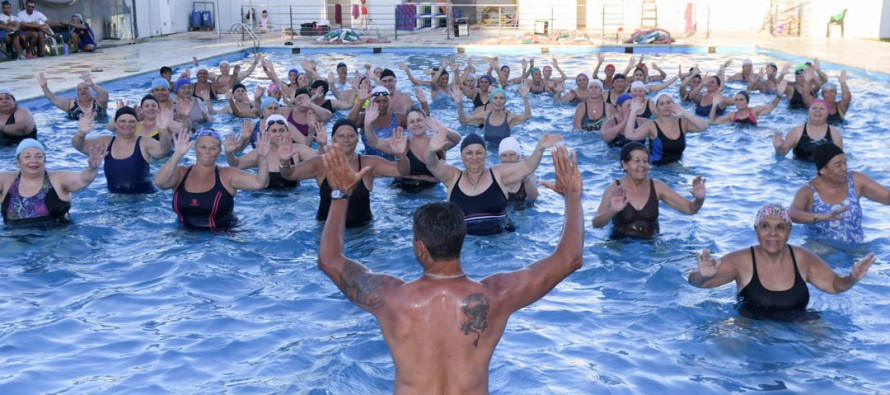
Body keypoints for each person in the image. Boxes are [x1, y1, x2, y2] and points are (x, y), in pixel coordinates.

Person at [316, 142, 582, 393]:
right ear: (461, 238)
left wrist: (340, 195)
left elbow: (330, 259)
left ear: (419, 246)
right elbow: (569, 258)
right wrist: (572, 196)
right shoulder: (497, 295)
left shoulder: (389, 297)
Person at [687, 203, 875, 319]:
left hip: (798, 322)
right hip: (752, 326)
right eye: (765, 226)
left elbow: (834, 285)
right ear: (756, 230)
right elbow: (699, 284)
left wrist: (851, 278)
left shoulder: (803, 258)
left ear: (789, 231)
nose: (773, 234)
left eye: (780, 227)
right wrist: (701, 276)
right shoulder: (741, 260)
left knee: (829, 348)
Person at [424, 131, 563, 235]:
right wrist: (431, 151)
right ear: (461, 156)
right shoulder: (453, 177)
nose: (474, 157)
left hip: (502, 243)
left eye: (479, 153)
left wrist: (539, 149)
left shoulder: (498, 174)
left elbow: (527, 167)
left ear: (486, 155)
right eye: (469, 153)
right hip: (466, 245)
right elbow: (433, 166)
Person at [278, 119, 410, 228]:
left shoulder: (369, 163)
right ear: (333, 140)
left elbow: (401, 171)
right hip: (326, 230)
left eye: (351, 136)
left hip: (362, 233)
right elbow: (289, 174)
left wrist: (400, 155)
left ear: (357, 140)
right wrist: (284, 162)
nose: (346, 139)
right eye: (341, 136)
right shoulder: (320, 164)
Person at [154, 129, 270, 230]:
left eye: (213, 148)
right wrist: (177, 155)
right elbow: (159, 182)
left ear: (219, 152)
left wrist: (263, 157)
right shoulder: (181, 173)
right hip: (185, 236)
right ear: (195, 148)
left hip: (224, 236)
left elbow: (259, 183)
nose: (207, 151)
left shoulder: (227, 175)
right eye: (203, 147)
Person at [592, 142, 705, 239]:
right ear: (624, 164)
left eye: (645, 161)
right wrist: (612, 211)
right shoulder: (613, 189)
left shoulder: (657, 187)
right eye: (637, 161)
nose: (642, 165)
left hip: (651, 245)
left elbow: (690, 209)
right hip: (620, 245)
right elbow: (596, 224)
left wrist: (699, 199)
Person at [788, 144, 890, 245]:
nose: (844, 168)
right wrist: (820, 216)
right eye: (838, 165)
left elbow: (887, 198)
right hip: (822, 253)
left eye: (845, 163)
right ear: (823, 170)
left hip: (855, 251)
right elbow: (792, 213)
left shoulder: (855, 181)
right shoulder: (808, 191)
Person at [1, 138, 104, 225]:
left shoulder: (58, 179)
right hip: (14, 236)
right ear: (18, 162)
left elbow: (83, 180)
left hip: (55, 235)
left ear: (45, 160)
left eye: (39, 156)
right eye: (27, 156)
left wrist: (92, 168)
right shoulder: (6, 180)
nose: (34, 160)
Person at [73, 107, 171, 194]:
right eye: (122, 121)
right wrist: (81, 133)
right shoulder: (106, 142)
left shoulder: (144, 142)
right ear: (115, 124)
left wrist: (163, 131)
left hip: (144, 199)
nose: (127, 124)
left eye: (132, 121)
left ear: (137, 124)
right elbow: (80, 146)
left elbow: (163, 150)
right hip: (115, 201)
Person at [363, 103, 460, 192]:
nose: (416, 124)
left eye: (419, 120)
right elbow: (373, 142)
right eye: (412, 122)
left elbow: (456, 139)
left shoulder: (437, 142)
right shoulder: (402, 143)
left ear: (425, 122)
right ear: (407, 126)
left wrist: (442, 129)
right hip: (401, 188)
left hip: (429, 190)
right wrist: (367, 124)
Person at [225, 115, 321, 190]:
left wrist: (322, 144)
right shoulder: (260, 152)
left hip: (292, 198)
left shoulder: (297, 150)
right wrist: (229, 153)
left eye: (281, 130)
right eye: (274, 131)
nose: (278, 134)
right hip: (265, 199)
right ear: (267, 134)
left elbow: (322, 158)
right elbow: (236, 164)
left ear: (288, 132)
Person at [624, 93, 709, 165]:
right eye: (661, 104)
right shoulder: (651, 125)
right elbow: (629, 135)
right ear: (656, 108)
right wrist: (633, 112)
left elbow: (703, 126)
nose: (666, 106)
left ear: (674, 105)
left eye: (668, 102)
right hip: (656, 169)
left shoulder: (683, 123)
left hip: (677, 168)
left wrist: (684, 112)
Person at [453, 82, 531, 148]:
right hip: (488, 153)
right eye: (495, 98)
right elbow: (463, 120)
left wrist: (525, 98)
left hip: (505, 153)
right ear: (490, 100)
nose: (498, 101)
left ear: (505, 101)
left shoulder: (509, 118)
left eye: (501, 98)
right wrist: (459, 103)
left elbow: (527, 116)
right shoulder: (485, 116)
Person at [772, 99, 843, 161]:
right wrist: (778, 147)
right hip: (800, 172)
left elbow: (839, 159)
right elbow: (782, 153)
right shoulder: (796, 131)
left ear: (827, 113)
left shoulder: (835, 133)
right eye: (814, 108)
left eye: (821, 109)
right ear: (808, 111)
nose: (817, 110)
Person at [38, 72, 109, 122]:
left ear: (91, 91)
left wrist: (93, 85)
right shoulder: (70, 104)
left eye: (86, 88)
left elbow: (105, 95)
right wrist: (44, 87)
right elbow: (54, 100)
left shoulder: (99, 102)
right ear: (76, 93)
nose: (82, 91)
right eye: (79, 89)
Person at [709, 82, 785, 126]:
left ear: (747, 102)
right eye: (736, 100)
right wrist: (714, 105)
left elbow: (772, 106)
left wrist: (779, 95)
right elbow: (713, 121)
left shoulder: (754, 111)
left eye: (741, 100)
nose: (738, 102)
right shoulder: (732, 116)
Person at [498, 137, 538, 207]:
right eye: (504, 155)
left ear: (518, 157)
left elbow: (533, 198)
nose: (508, 159)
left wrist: (526, 177)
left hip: (525, 209)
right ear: (500, 158)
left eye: (512, 155)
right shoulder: (496, 175)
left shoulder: (528, 172)